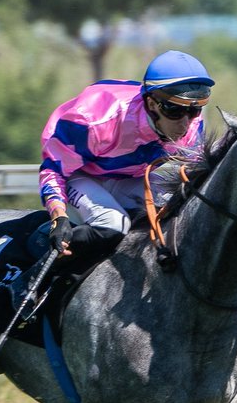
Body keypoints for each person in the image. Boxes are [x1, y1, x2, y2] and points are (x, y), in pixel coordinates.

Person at [37, 49, 215, 266]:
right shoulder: (95, 122)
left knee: (178, 209)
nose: (185, 123)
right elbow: (53, 170)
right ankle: (41, 263)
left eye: (194, 111)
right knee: (113, 223)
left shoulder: (192, 127)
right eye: (175, 111)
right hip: (76, 173)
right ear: (152, 104)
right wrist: (58, 216)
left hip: (127, 176)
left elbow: (196, 178)